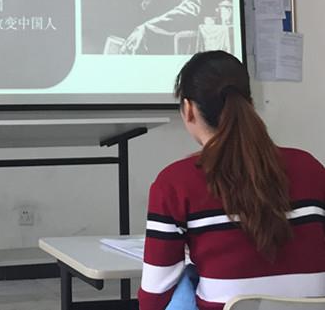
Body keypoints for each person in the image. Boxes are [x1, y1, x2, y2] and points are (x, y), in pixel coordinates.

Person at [139, 51, 325, 310]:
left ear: (188, 109)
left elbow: (154, 297)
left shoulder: (175, 183)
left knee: (184, 283)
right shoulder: (310, 168)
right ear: (250, 103)